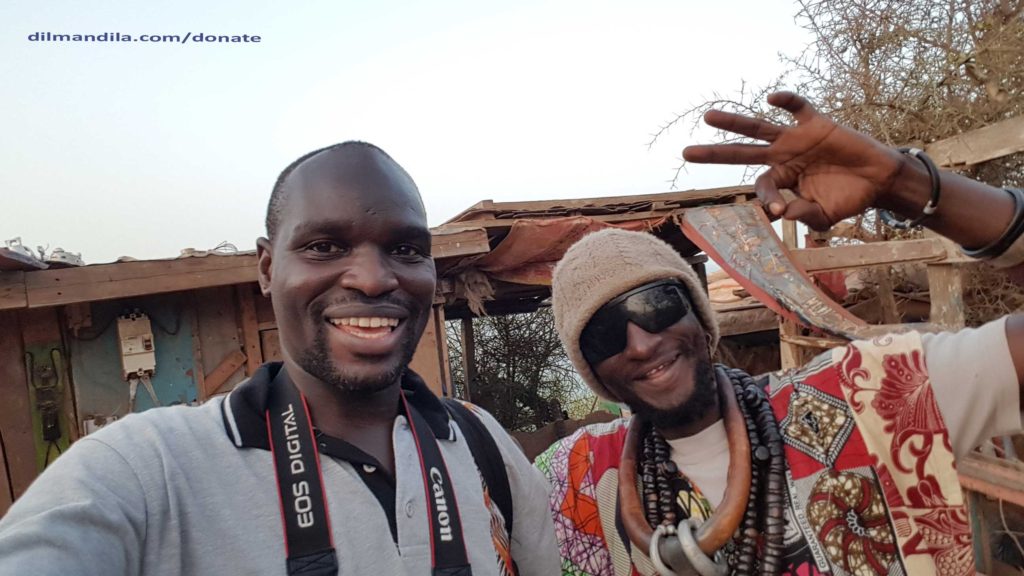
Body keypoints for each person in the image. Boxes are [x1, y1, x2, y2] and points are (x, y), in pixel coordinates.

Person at [0, 142, 560, 575]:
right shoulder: (145, 471)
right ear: (267, 268)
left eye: (406, 249)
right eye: (324, 246)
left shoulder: (482, 445)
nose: (373, 278)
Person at [536, 92, 1024, 576]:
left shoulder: (873, 395)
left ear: (700, 320)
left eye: (656, 304)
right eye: (603, 334)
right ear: (592, 371)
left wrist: (908, 184)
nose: (641, 344)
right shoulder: (573, 477)